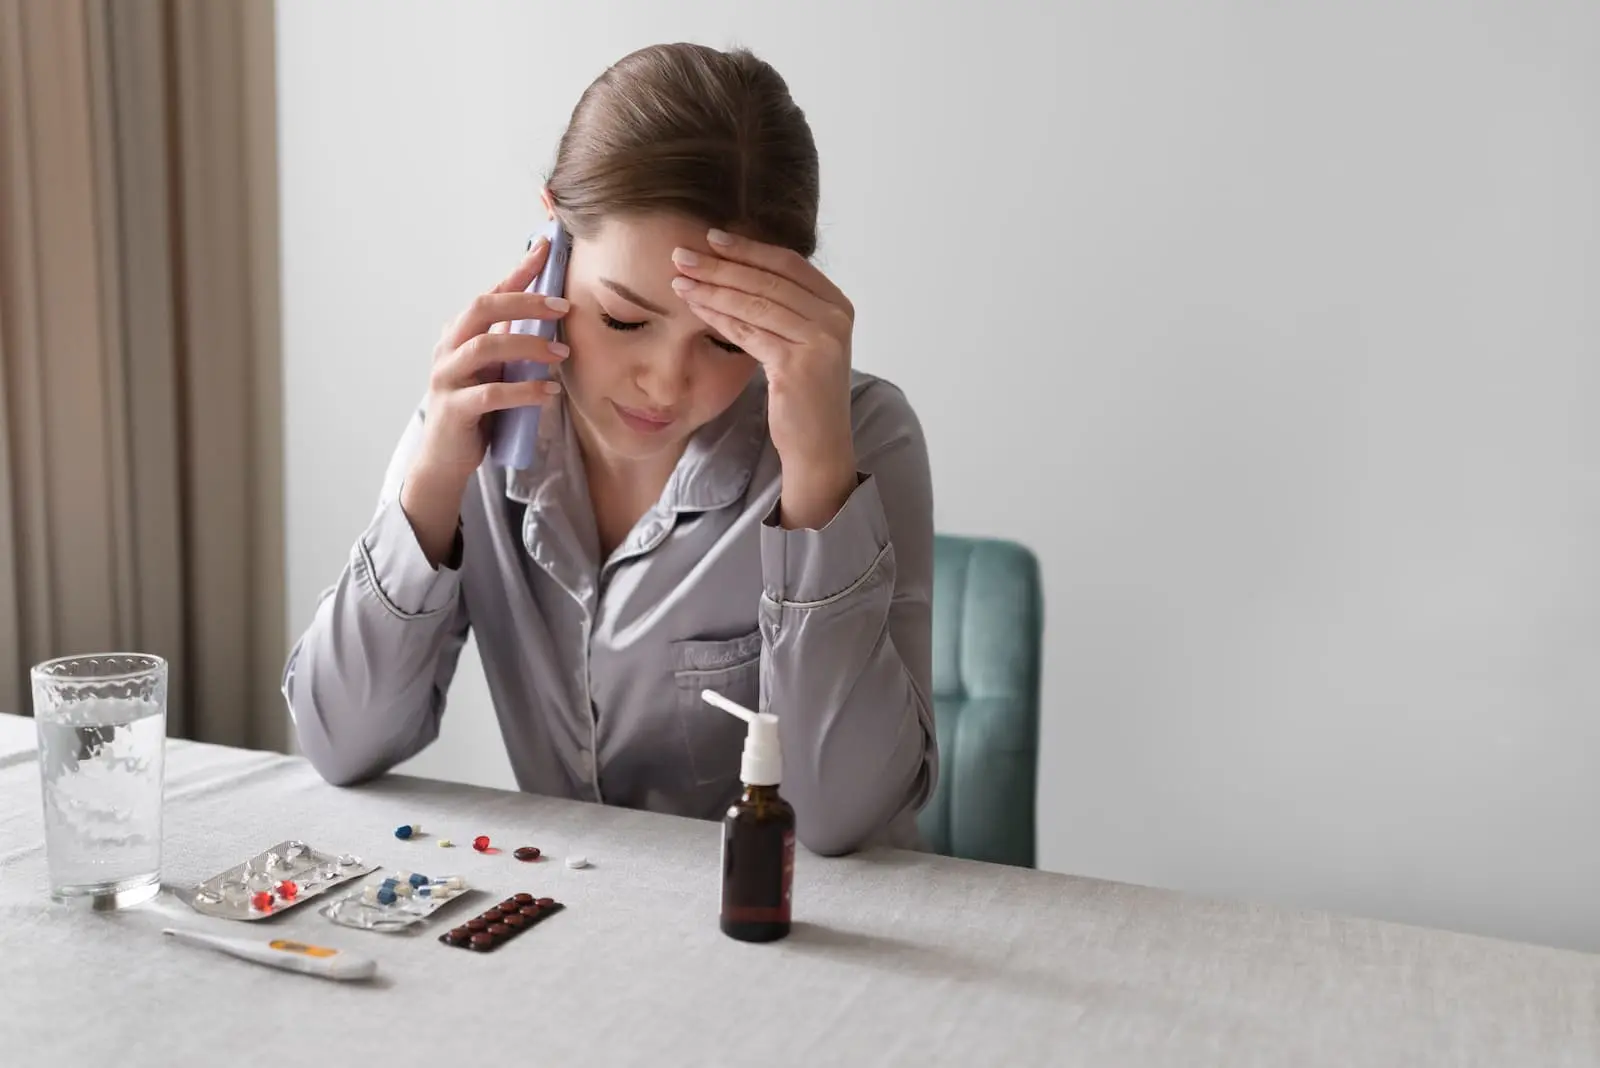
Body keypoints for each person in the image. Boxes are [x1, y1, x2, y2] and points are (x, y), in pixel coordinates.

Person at [283, 42, 936, 855]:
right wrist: (433, 483)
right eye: (624, 319)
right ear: (553, 236)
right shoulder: (480, 413)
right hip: (581, 931)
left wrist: (817, 481)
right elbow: (339, 741)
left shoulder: (866, 433)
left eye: (727, 341)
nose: (665, 384)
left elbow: (838, 822)